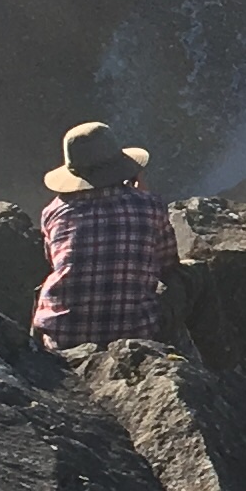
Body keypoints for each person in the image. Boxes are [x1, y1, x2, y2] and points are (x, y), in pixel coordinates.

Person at [34, 119, 177, 348]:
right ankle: (210, 360)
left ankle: (32, 353)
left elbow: (54, 262)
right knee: (191, 278)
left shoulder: (53, 213)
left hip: (64, 338)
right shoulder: (150, 205)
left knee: (43, 288)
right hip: (135, 332)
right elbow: (168, 263)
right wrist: (143, 195)